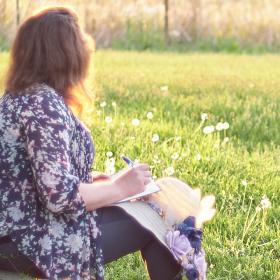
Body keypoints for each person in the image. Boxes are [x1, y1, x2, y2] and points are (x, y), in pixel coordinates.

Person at [0, 7, 182, 280]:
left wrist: (99, 183)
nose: (87, 44)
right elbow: (59, 197)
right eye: (80, 37)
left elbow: (37, 176)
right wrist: (120, 186)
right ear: (65, 51)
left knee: (152, 211)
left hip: (17, 232)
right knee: (163, 220)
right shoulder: (43, 104)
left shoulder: (20, 98)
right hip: (27, 241)